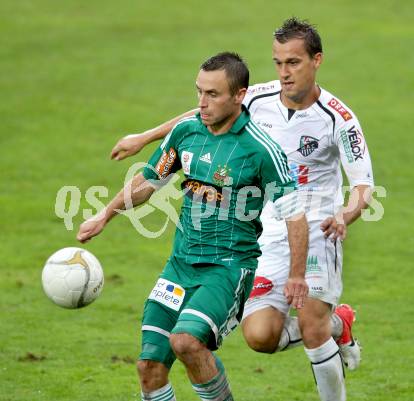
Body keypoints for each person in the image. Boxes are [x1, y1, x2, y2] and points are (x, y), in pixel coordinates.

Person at [110, 18, 374, 401]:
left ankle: (325, 341)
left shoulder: (339, 119)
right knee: (260, 337)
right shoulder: (257, 96)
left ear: (317, 60)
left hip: (317, 228)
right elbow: (200, 114)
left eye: (294, 63)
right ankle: (340, 324)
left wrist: (345, 215)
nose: (284, 72)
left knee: (311, 326)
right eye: (278, 62)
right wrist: (145, 137)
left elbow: (363, 185)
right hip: (266, 230)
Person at [77, 52, 309, 401]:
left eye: (212, 94)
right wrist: (105, 214)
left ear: (239, 95)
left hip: (227, 269)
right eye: (199, 92)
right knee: (148, 367)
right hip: (180, 265)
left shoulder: (261, 150)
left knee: (185, 341)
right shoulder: (186, 133)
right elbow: (148, 181)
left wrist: (296, 275)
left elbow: (295, 216)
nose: (202, 102)